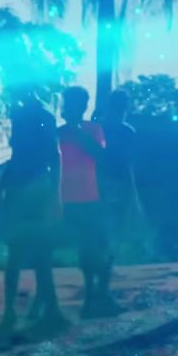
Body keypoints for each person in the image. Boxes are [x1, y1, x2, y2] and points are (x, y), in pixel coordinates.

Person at [0, 88, 68, 339]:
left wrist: (56, 195)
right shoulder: (27, 113)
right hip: (25, 188)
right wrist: (0, 185)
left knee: (33, 252)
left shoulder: (37, 115)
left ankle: (34, 310)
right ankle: (20, 311)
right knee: (26, 252)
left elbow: (53, 156)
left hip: (33, 190)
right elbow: (24, 156)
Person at [58, 86, 123, 318]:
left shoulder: (93, 130)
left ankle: (101, 295)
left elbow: (100, 154)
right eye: (68, 102)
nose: (70, 107)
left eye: (75, 103)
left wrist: (75, 129)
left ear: (83, 106)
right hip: (68, 201)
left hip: (92, 198)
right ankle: (90, 299)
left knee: (105, 248)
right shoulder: (59, 133)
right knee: (85, 251)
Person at [98, 89, 147, 261]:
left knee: (111, 220)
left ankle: (107, 256)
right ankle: (109, 256)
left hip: (107, 179)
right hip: (114, 179)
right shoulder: (125, 130)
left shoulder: (104, 128)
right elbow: (129, 160)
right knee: (116, 220)